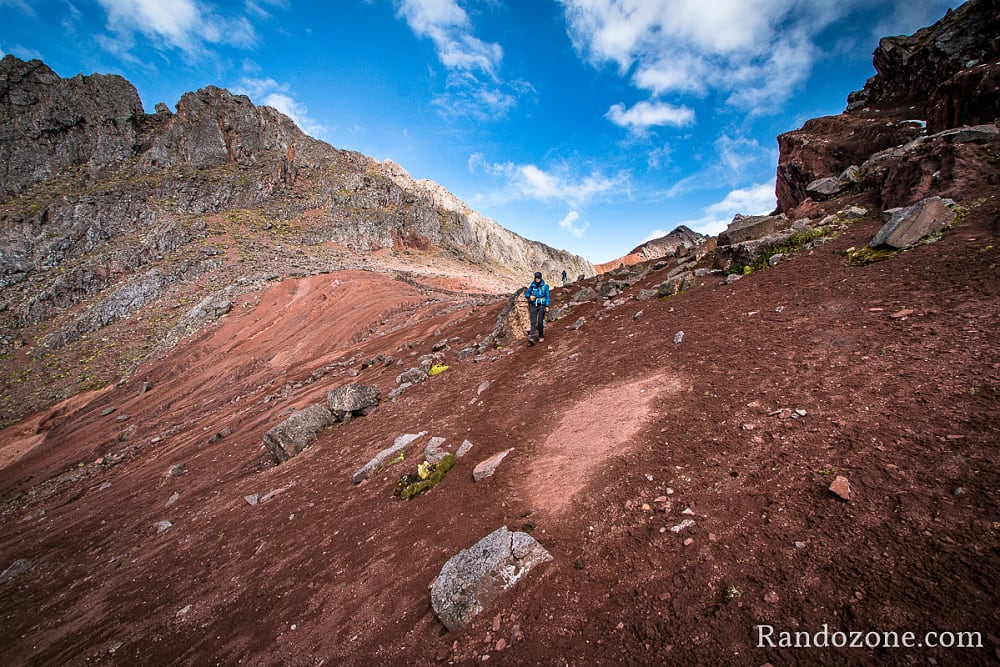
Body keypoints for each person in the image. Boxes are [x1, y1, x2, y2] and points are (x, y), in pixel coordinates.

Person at [525, 271, 550, 345]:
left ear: (541, 278)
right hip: (533, 304)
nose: (537, 279)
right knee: (533, 321)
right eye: (536, 277)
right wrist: (530, 296)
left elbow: (548, 296)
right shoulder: (532, 285)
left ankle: (541, 335)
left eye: (538, 277)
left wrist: (547, 306)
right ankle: (532, 338)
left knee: (539, 321)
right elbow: (527, 293)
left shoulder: (545, 286)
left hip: (542, 304)